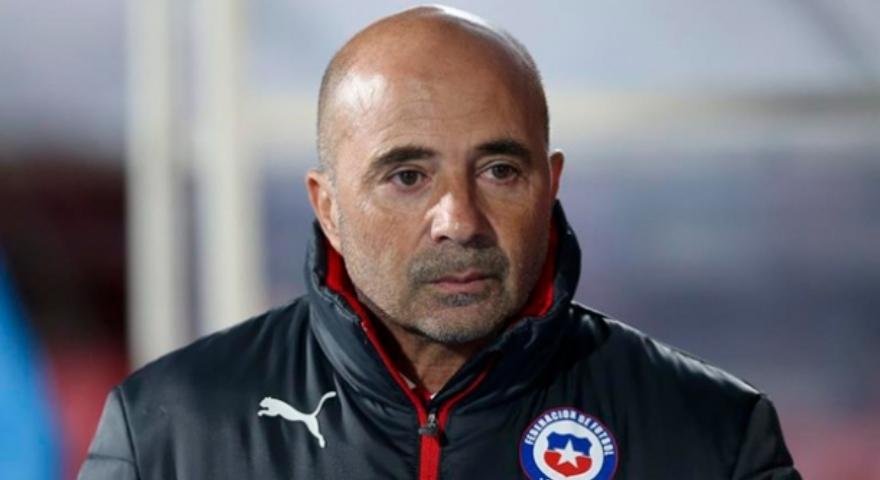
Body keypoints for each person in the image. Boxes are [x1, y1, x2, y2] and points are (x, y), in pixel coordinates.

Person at [80, 6, 801, 480]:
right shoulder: (168, 432)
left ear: (550, 184)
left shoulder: (711, 437)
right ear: (328, 206)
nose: (459, 219)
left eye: (498, 170)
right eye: (407, 176)